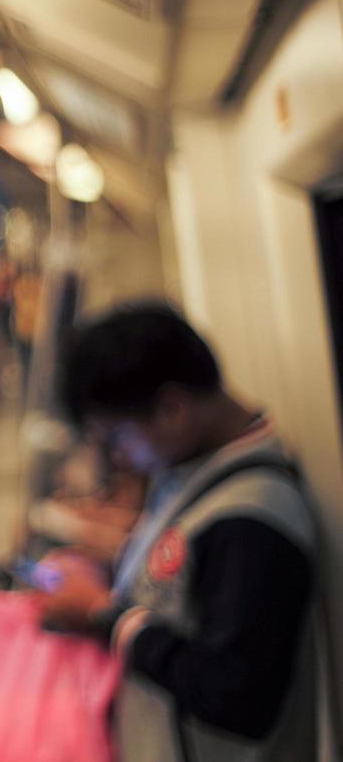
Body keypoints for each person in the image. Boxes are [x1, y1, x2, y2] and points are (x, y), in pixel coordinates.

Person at [40, 303, 318, 762]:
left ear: (172, 409)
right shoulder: (193, 474)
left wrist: (104, 616)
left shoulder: (253, 518)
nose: (120, 461)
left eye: (118, 440)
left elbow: (238, 696)